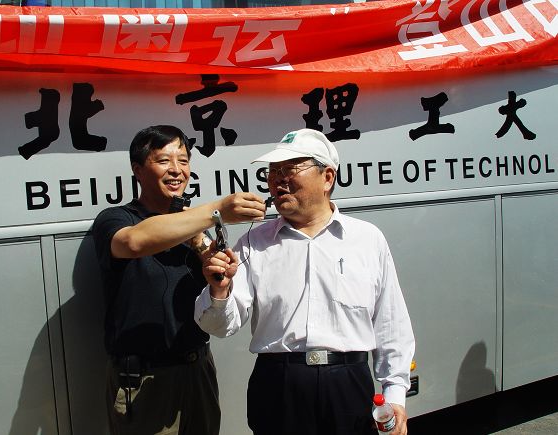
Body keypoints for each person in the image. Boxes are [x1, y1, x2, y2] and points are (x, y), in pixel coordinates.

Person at [194, 128, 415, 435]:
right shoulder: (254, 243)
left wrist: (395, 394)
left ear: (327, 177)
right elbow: (220, 327)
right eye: (273, 171)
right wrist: (219, 291)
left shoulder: (366, 239)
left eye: (290, 169)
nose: (278, 180)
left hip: (348, 383)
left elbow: (390, 324)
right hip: (278, 385)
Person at [92, 125, 266, 435]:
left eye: (183, 161)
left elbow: (216, 291)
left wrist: (217, 271)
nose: (177, 170)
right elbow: (133, 242)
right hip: (143, 380)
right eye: (164, 160)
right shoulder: (116, 218)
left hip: (198, 370)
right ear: (137, 170)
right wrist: (218, 210)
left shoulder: (195, 229)